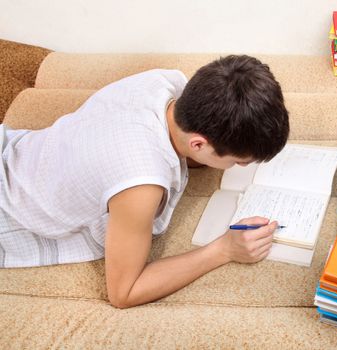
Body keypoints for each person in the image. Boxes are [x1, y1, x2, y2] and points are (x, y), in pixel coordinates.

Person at [0, 55, 290, 308]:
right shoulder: (140, 185)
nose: (239, 167)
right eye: (239, 161)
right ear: (199, 144)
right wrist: (224, 249)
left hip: (17, 150)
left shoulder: (164, 83)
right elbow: (124, 292)